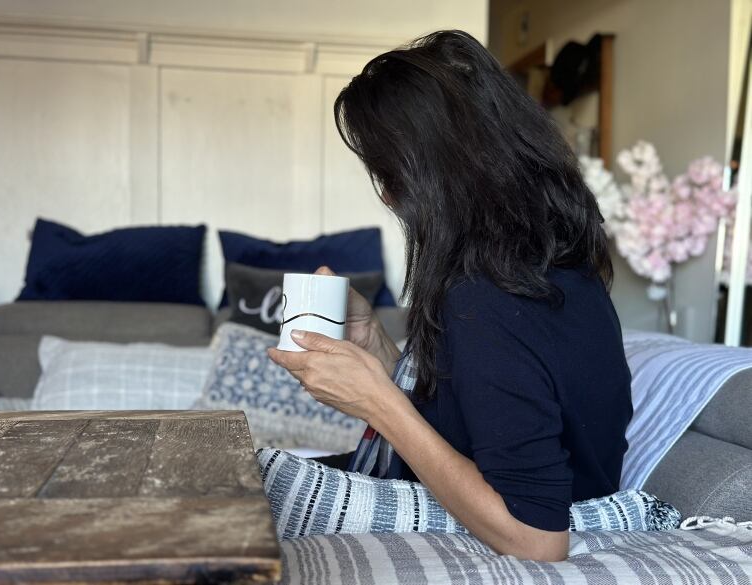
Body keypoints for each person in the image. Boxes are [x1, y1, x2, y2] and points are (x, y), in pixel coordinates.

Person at [267, 30, 632, 562]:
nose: (387, 195)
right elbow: (482, 409)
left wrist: (379, 402)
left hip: (511, 526)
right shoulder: (550, 266)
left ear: (430, 175)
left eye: (385, 172)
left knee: (239, 482)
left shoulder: (486, 301)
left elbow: (538, 538)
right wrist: (379, 348)